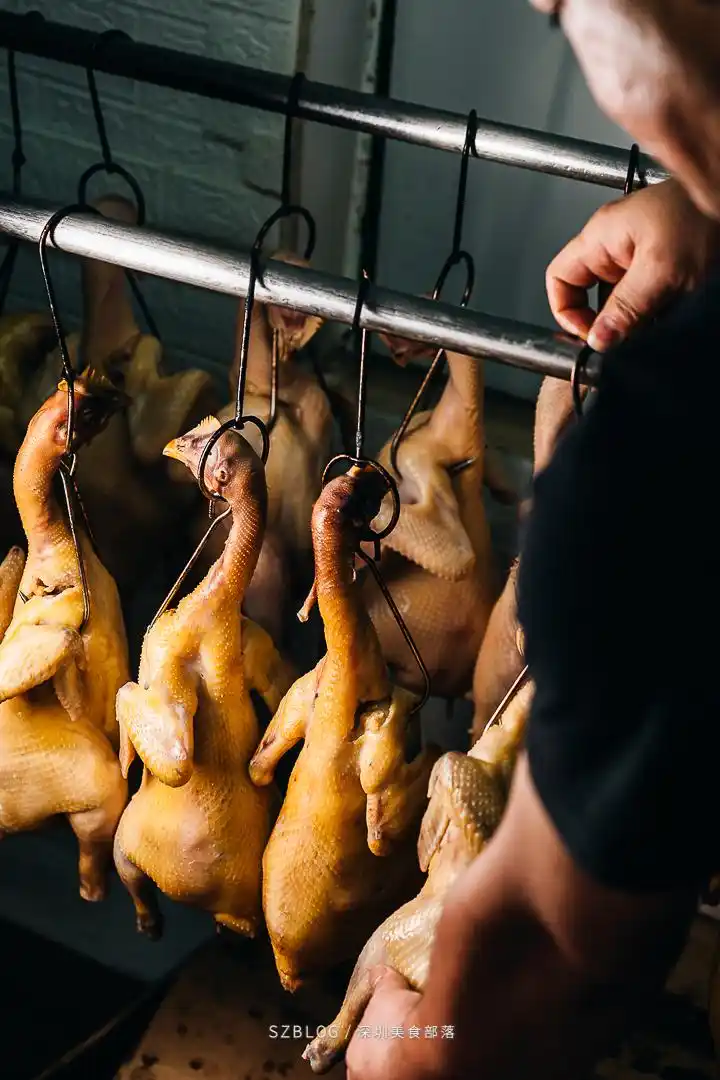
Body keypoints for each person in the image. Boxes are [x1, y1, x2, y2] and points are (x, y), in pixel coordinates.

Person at [344, 3, 720, 1078]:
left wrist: (416, 1052)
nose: (579, 44)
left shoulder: (674, 453)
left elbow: (559, 957)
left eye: (565, 7)